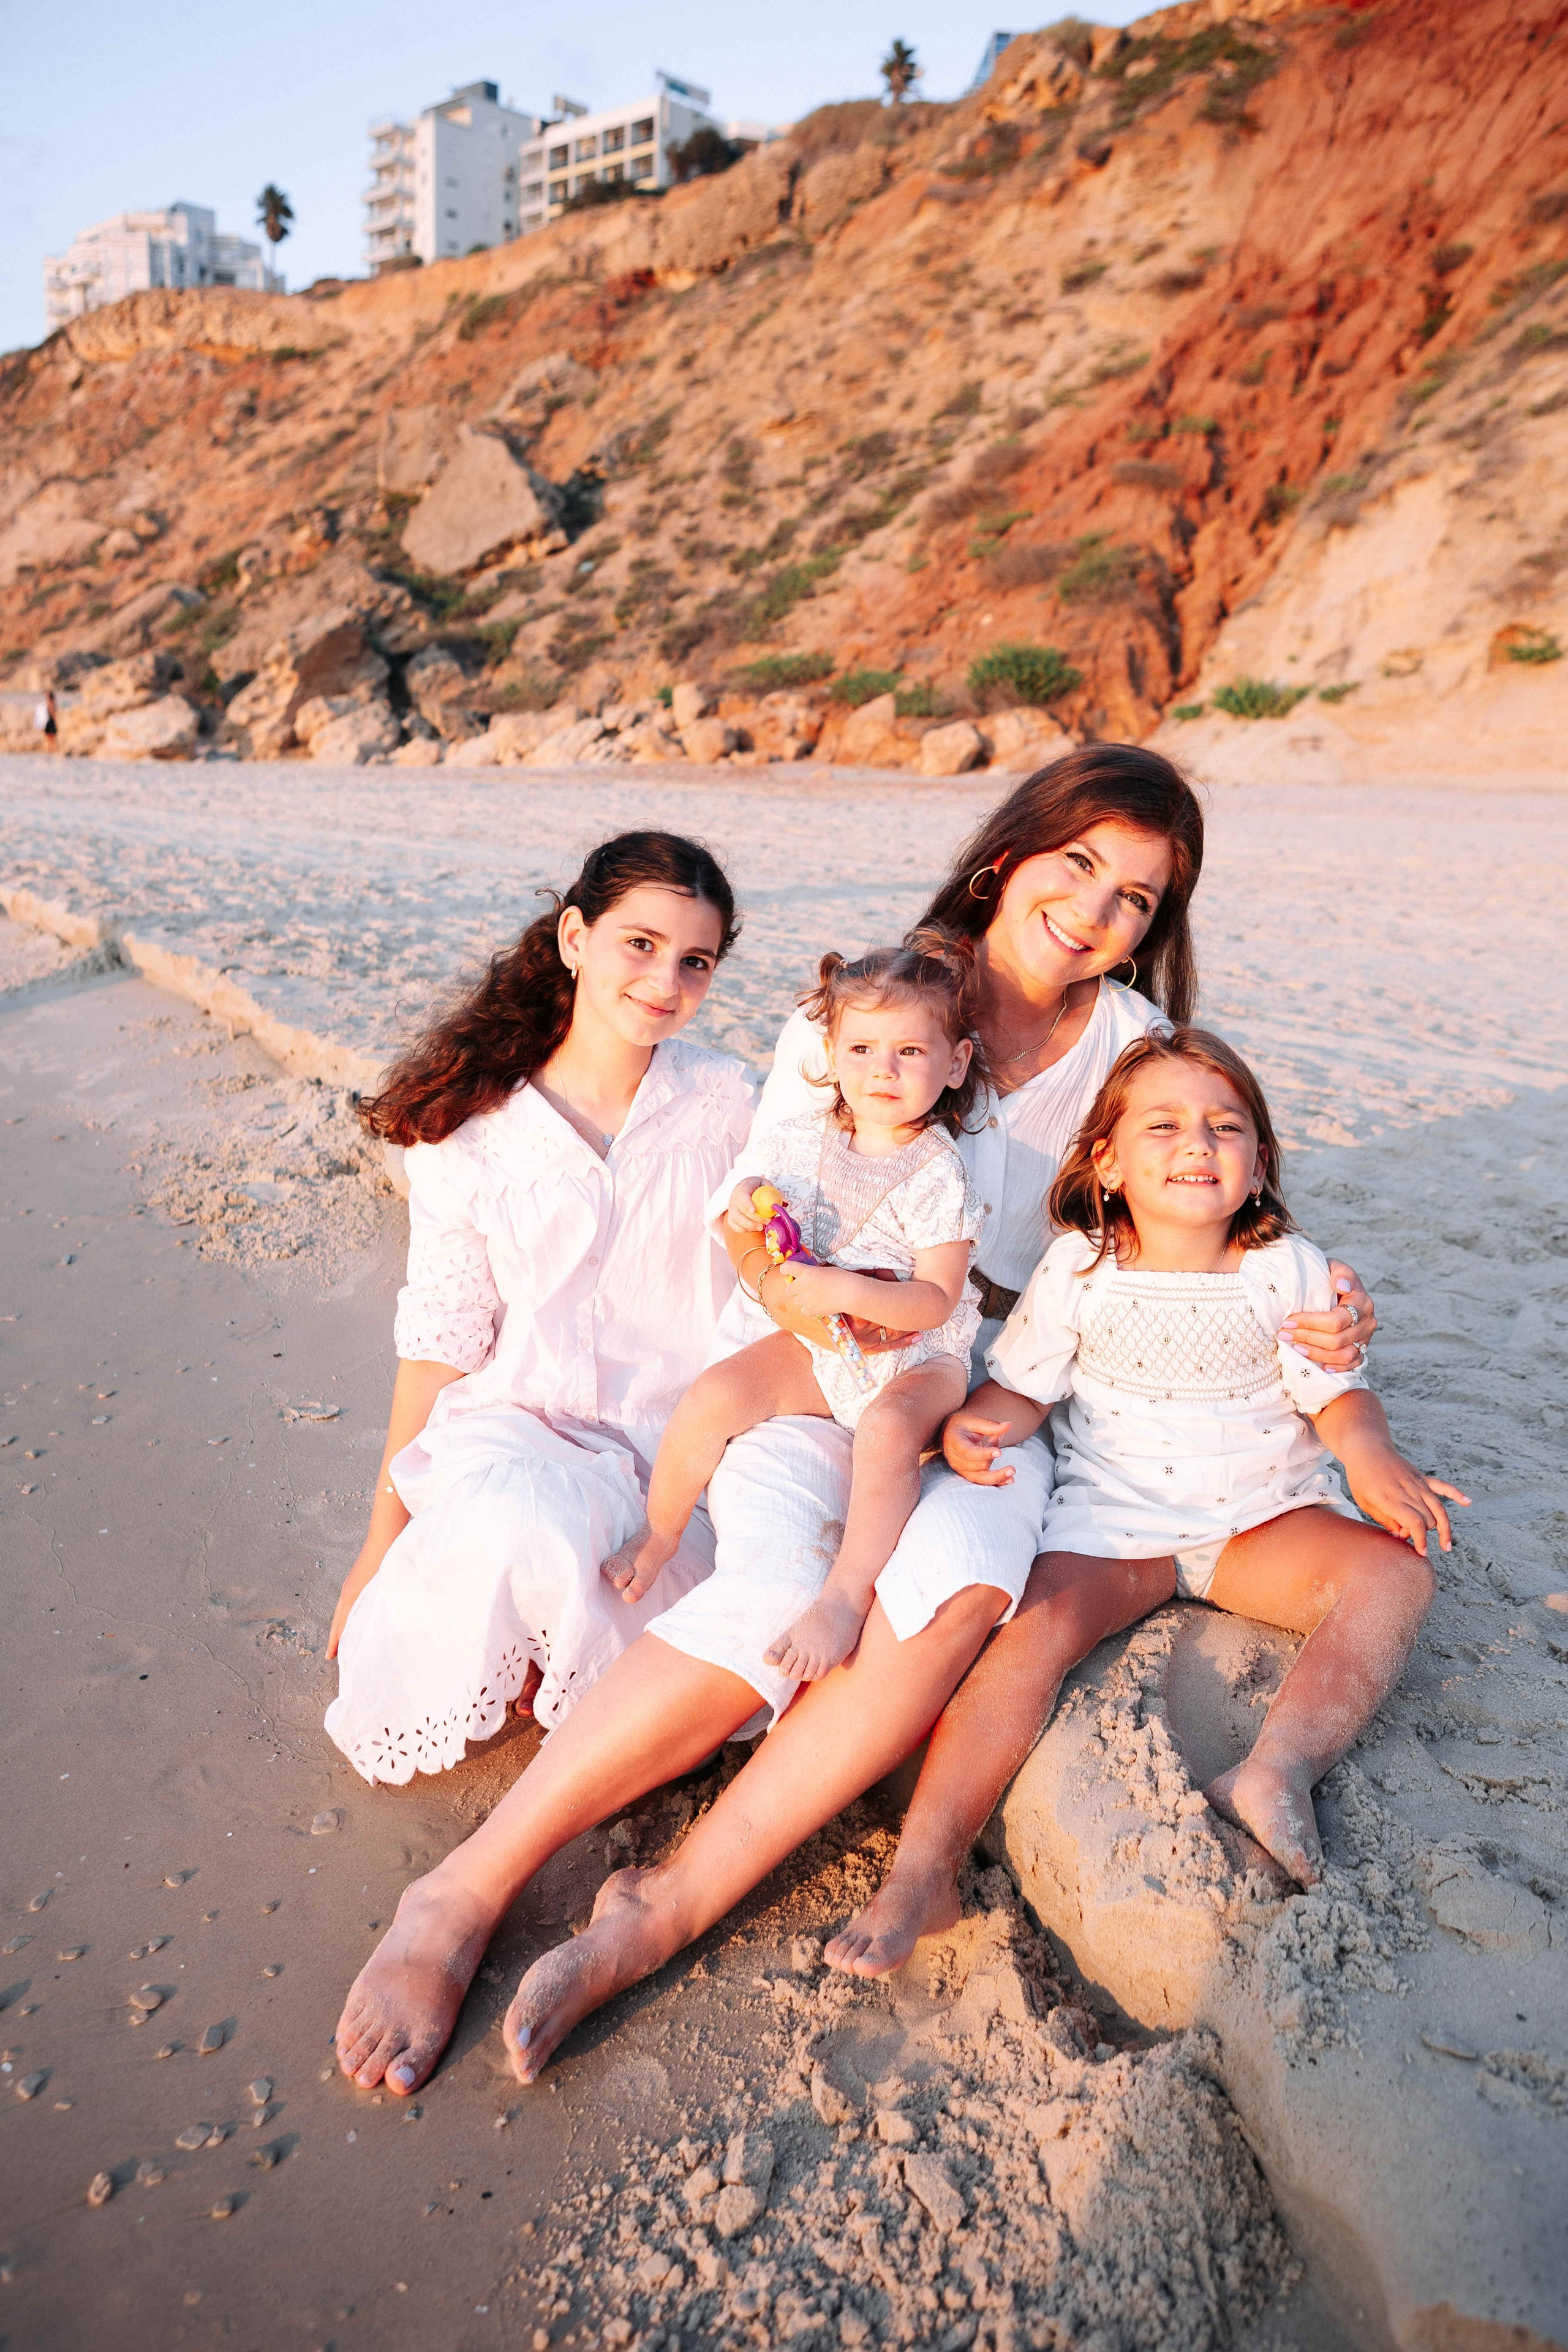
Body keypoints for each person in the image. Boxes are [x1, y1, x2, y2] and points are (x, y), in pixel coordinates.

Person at [333, 745, 1377, 2097]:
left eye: (1136, 897)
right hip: (810, 1356)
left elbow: (1189, 1193)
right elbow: (756, 1221)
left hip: (994, 1384)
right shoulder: (868, 1006)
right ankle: (460, 1896)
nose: (1097, 910)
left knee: (947, 1600)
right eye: (1079, 865)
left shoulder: (1127, 1048)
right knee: (778, 1580)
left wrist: (1319, 1309)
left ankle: (663, 1910)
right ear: (1012, 853)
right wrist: (843, 1319)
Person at [937, 1025, 1461, 1890]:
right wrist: (975, 1426)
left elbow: (1335, 1392)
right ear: (1106, 1163)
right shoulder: (1078, 1267)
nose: (1198, 1142)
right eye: (1164, 1126)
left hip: (1263, 1518)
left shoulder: (1282, 1267)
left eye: (1226, 1126)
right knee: (1026, 1635)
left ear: (1257, 1166)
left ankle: (1276, 1768)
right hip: (1114, 1523)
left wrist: (1371, 1459)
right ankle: (931, 1860)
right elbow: (1026, 1387)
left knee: (1397, 1580)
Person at [322, 831, 755, 1782]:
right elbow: (441, 1336)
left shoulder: (729, 1104)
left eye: (695, 962)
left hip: (675, 1448)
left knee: (662, 1593)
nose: (664, 981)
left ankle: (558, 1653)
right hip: (520, 1432)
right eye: (638, 945)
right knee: (522, 1522)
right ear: (573, 937)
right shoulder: (468, 1134)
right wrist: (380, 1545)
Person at [607, 931, 987, 1683]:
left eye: (910, 1053)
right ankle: (659, 1531)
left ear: (955, 1064)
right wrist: (751, 1201)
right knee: (717, 1393)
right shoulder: (805, 1136)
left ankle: (843, 1598)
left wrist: (847, 1289)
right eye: (862, 1050)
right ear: (832, 1055)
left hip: (920, 1354)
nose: (883, 1070)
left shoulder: (939, 1170)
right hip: (829, 1341)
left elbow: (938, 1298)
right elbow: (755, 1202)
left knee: (884, 1433)